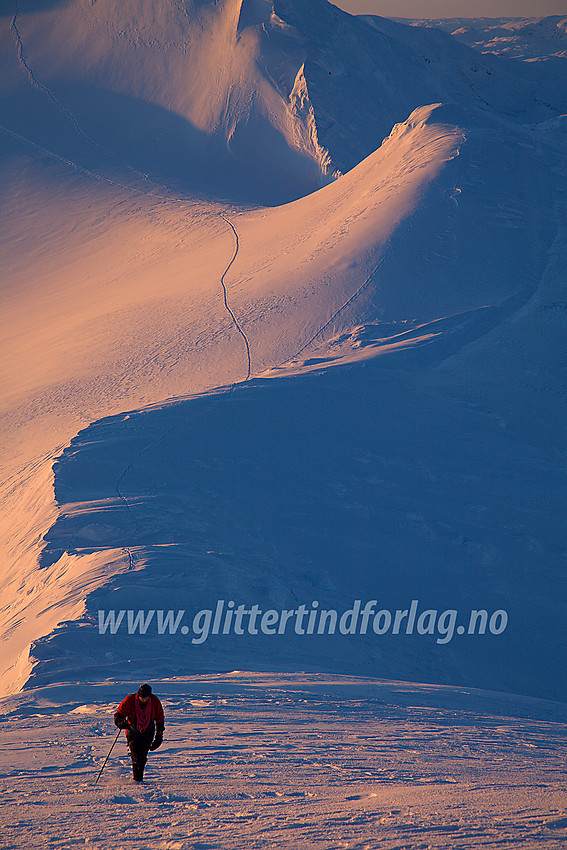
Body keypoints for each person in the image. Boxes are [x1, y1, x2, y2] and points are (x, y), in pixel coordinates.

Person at [114, 684, 165, 783]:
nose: (144, 699)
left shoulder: (154, 701)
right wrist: (120, 722)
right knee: (136, 756)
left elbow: (160, 718)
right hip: (132, 732)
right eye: (142, 697)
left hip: (148, 732)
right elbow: (119, 714)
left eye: (146, 697)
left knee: (142, 757)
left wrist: (159, 736)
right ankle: (137, 779)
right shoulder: (130, 700)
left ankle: (138, 779)